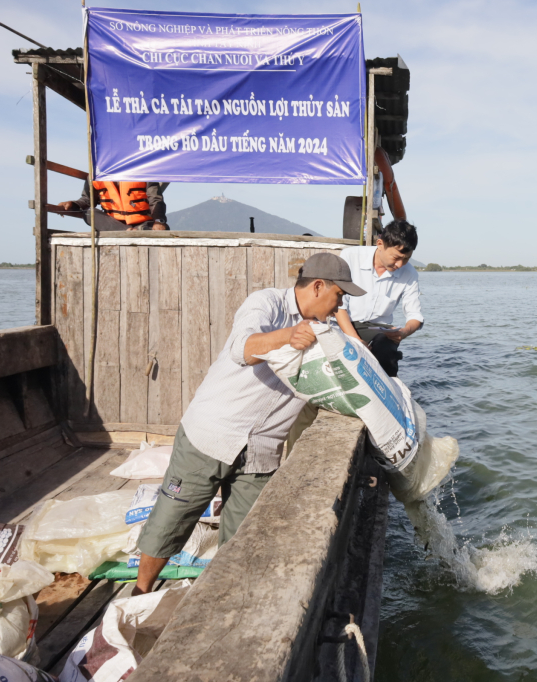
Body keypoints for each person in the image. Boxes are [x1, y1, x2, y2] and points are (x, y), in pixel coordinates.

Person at [130, 252, 366, 595]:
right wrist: (289, 335)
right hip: (212, 435)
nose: (340, 306)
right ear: (318, 287)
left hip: (262, 452)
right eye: (338, 296)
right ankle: (140, 592)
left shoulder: (325, 332)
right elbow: (243, 349)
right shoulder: (266, 303)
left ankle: (224, 600)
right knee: (171, 520)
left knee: (246, 538)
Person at [334, 219, 423, 377]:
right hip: (345, 322)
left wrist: (403, 332)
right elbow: (339, 306)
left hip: (379, 328)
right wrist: (357, 341)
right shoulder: (350, 256)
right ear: (380, 244)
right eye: (396, 257)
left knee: (386, 350)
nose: (400, 264)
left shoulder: (410, 273)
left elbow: (415, 315)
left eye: (406, 259)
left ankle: (390, 386)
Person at [57, 181, 170, 231]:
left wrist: (159, 221)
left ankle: (137, 230)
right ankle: (128, 231)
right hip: (113, 224)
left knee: (154, 227)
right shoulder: (95, 174)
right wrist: (73, 204)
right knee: (89, 213)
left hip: (143, 223)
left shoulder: (141, 170)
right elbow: (87, 200)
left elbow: (155, 199)